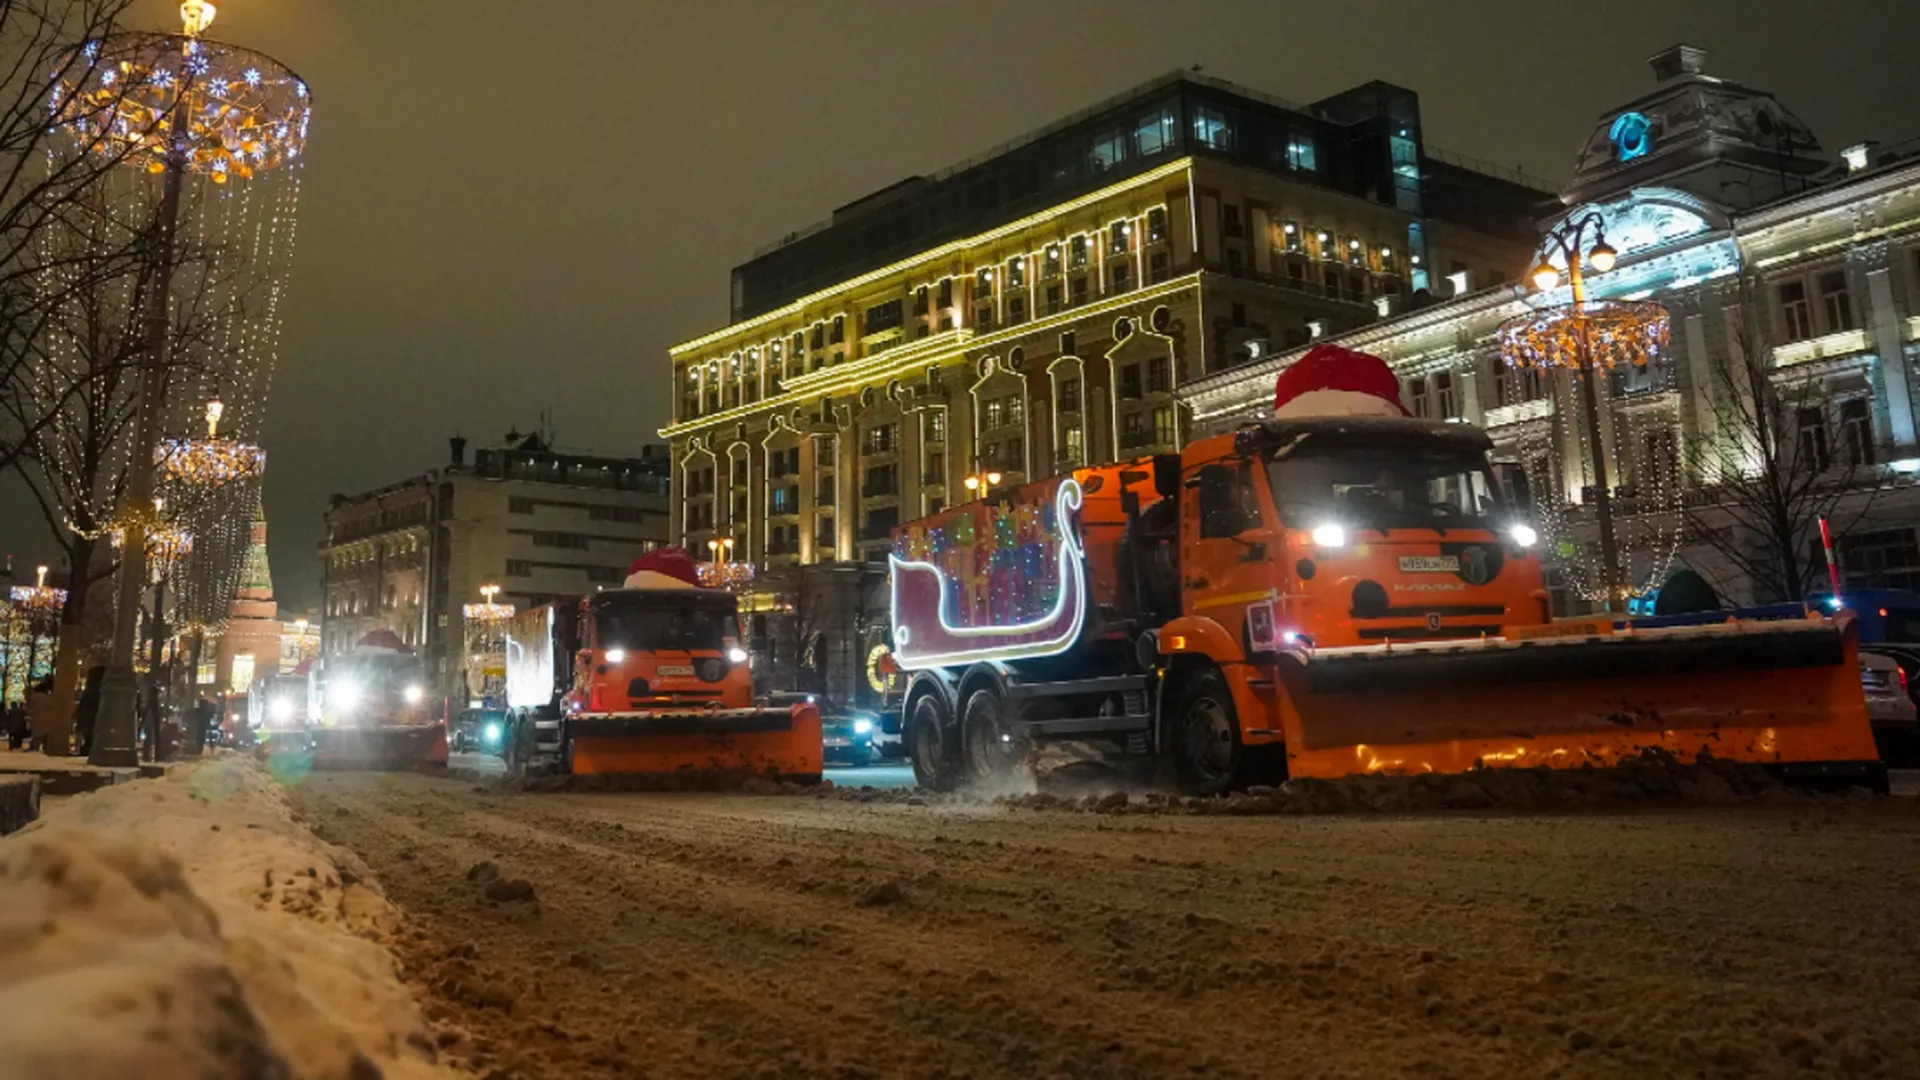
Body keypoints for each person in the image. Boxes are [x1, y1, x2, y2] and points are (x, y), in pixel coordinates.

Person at [26, 677, 54, 753]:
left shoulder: (34, 697)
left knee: (37, 735)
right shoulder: (47, 698)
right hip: (47, 718)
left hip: (36, 719)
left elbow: (29, 709)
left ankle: (34, 748)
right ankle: (46, 749)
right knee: (45, 735)